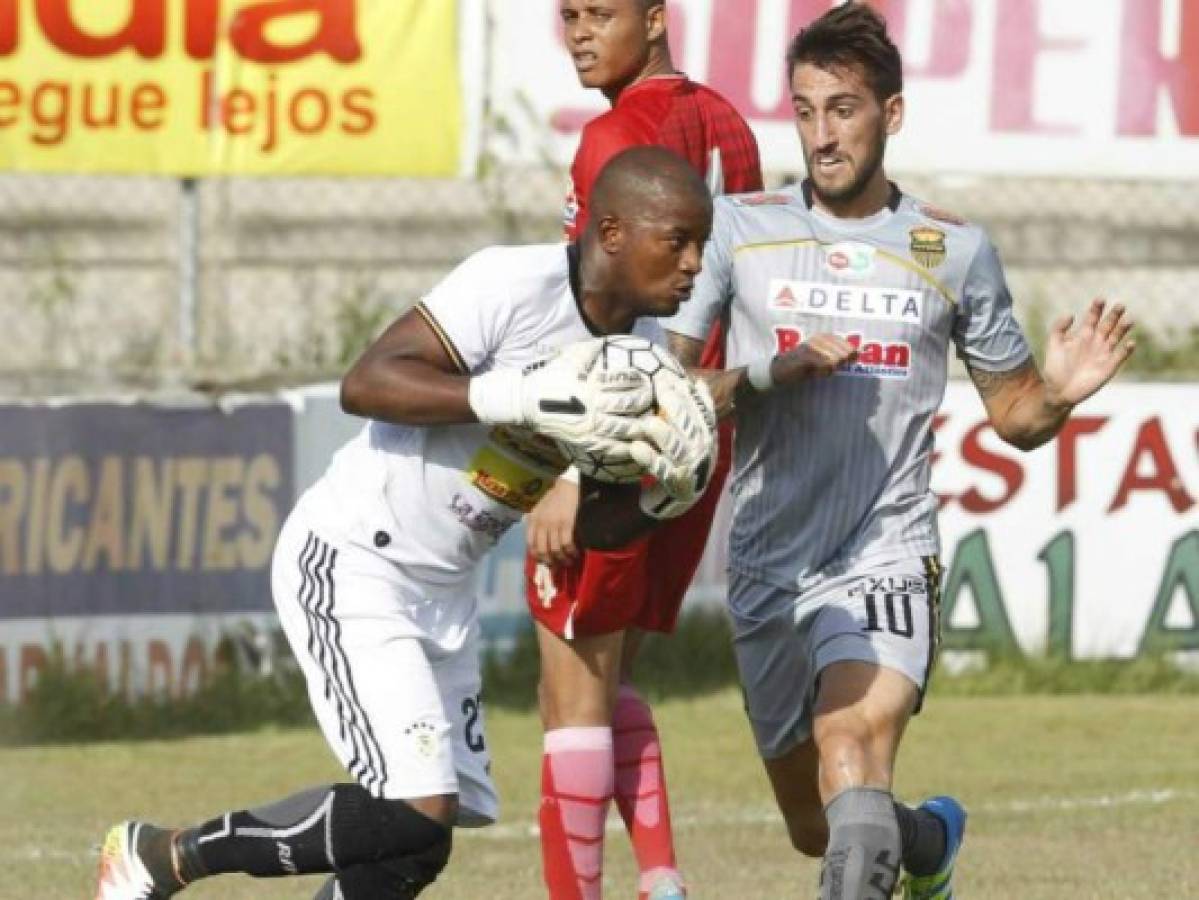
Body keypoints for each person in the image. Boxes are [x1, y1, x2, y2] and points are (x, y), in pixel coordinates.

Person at [93, 146, 719, 900]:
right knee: (414, 811)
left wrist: (661, 499)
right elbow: (368, 381)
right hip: (356, 556)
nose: (692, 264)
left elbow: (592, 525)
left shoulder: (640, 358)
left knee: (417, 847)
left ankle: (165, 856)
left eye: (700, 245)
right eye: (677, 239)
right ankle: (163, 855)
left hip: (442, 594)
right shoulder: (510, 283)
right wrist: (513, 397)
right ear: (612, 231)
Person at [663, 5, 1136, 899]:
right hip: (766, 562)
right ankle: (931, 846)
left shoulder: (952, 249)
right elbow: (671, 391)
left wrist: (1061, 395)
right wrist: (767, 374)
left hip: (885, 552)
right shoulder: (737, 229)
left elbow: (1015, 416)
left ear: (893, 113)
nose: (820, 135)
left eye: (842, 109)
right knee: (821, 826)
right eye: (804, 111)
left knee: (851, 749)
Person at [526, 2, 762, 898]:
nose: (579, 33)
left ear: (656, 16)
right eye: (568, 15)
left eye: (600, 13)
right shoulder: (728, 126)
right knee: (611, 672)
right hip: (699, 437)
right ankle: (660, 883)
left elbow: (585, 315)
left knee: (570, 693)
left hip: (615, 437)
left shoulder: (614, 138)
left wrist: (560, 468)